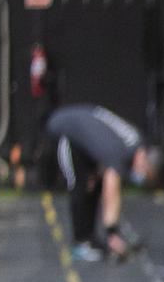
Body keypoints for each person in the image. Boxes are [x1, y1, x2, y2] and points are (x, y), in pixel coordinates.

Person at [45, 105, 153, 262]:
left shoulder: (137, 141)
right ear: (141, 159)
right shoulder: (118, 153)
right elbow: (112, 192)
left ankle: (91, 237)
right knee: (80, 185)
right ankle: (80, 243)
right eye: (142, 169)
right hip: (66, 131)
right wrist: (112, 232)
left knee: (95, 182)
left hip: (86, 135)